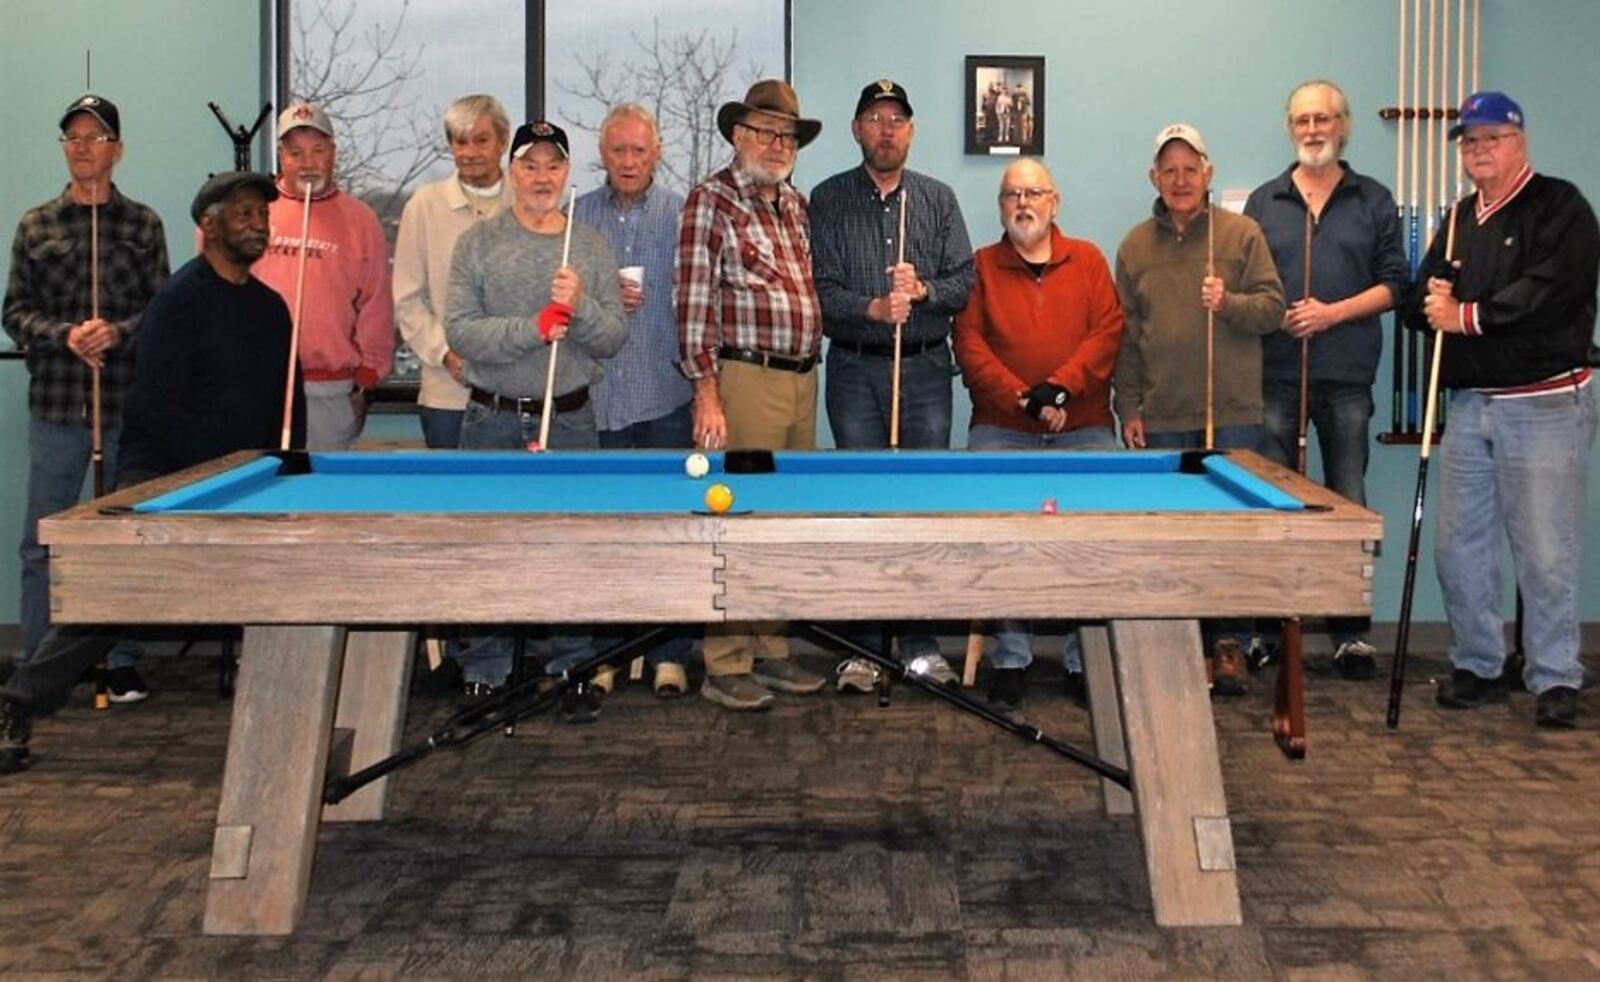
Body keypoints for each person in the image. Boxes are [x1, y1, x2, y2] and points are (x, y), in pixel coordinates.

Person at [1, 171, 305, 774]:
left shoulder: (272, 310)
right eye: (242, 214)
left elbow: (282, 403)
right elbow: (154, 408)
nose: (257, 226)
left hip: (249, 483)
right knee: (113, 604)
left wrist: (285, 467)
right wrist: (198, 483)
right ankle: (17, 703)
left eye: (262, 216)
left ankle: (288, 718)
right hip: (165, 476)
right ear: (209, 226)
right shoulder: (177, 301)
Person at [1412, 91, 1598, 729]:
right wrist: (1430, 298)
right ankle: (1478, 664)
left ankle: (1554, 675)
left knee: (1545, 548)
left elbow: (1553, 291)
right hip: (1470, 406)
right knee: (1458, 547)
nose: (1478, 149)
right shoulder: (1462, 216)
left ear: (1519, 141)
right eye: (1469, 141)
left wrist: (1466, 314)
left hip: (1545, 401)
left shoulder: (1560, 205)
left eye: (1491, 138)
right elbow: (1422, 299)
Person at [445, 120, 627, 722]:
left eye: (553, 166)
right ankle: (485, 670)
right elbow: (461, 331)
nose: (541, 177)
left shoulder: (590, 247)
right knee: (487, 548)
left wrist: (580, 310)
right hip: (492, 419)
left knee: (573, 548)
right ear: (512, 171)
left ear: (567, 174)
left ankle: (572, 666)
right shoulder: (478, 243)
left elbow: (612, 340)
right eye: (530, 165)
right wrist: (533, 327)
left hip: (569, 419)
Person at [810, 78, 974, 692]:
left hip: (926, 370)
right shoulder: (826, 200)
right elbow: (819, 292)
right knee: (862, 503)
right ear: (857, 129)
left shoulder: (938, 199)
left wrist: (925, 288)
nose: (886, 129)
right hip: (854, 368)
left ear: (911, 130)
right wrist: (874, 309)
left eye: (897, 119)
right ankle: (865, 645)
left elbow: (965, 282)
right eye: (875, 118)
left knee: (921, 504)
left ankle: (921, 644)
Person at [3, 94, 168, 703]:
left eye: (95, 138)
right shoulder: (35, 224)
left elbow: (161, 312)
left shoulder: (142, 224)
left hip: (124, 408)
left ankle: (119, 659)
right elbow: (14, 311)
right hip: (57, 408)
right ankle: (36, 672)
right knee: (42, 541)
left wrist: (117, 332)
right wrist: (65, 335)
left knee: (120, 541)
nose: (82, 147)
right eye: (72, 137)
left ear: (116, 150)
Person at [1244, 80, 1409, 680]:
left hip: (1346, 374)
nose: (1312, 130)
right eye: (1301, 120)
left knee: (1346, 499)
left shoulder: (1374, 199)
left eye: (1323, 119)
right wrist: (1277, 312)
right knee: (1274, 502)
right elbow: (1251, 282)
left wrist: (1332, 312)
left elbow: (1396, 283)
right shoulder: (1265, 201)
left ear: (1343, 125)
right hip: (1278, 372)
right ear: (1290, 128)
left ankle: (1350, 633)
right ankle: (1269, 627)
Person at [1112, 123, 1285, 696]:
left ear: (1208, 174)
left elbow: (1272, 310)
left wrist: (1228, 302)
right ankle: (1173, 645)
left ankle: (1230, 643)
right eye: (1170, 170)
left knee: (1230, 536)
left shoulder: (1241, 234)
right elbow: (1127, 337)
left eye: (1191, 168)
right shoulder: (1135, 246)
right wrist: (1128, 405)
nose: (1181, 179)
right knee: (1169, 538)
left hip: (1231, 410)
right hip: (1162, 413)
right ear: (1153, 178)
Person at [676, 79, 828, 711]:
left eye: (786, 134)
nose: (776, 143)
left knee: (784, 520)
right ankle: (726, 660)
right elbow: (692, 303)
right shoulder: (710, 200)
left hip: (801, 380)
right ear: (738, 136)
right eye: (763, 131)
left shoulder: (795, 205)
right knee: (737, 518)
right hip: (745, 379)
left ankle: (772, 650)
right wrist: (706, 393)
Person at [952, 158, 1124, 708]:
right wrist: (1025, 399)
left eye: (1033, 193)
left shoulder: (1090, 260)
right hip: (1004, 428)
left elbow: (1107, 332)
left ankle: (1082, 658)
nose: (1022, 203)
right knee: (1002, 538)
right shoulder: (979, 266)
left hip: (1085, 427)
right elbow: (971, 346)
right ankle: (1012, 654)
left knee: (1093, 541)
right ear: (1000, 208)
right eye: (1010, 195)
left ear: (1055, 202)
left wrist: (1060, 389)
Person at [573, 103, 697, 698]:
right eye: (617, 150)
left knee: (669, 534)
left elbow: (701, 307)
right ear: (602, 154)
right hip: (596, 402)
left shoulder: (681, 214)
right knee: (603, 537)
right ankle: (606, 654)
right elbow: (562, 311)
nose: (627, 161)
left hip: (666, 396)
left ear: (657, 153)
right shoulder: (577, 217)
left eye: (638, 151)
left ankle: (669, 653)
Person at [255, 102, 394, 450]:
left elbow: (376, 307)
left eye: (318, 151)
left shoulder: (361, 220)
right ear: (280, 156)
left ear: (333, 153)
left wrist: (366, 382)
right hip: (255, 385)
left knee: (322, 501)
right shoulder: (252, 212)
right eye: (296, 152)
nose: (307, 162)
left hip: (329, 391)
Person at [394, 94, 515, 451]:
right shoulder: (424, 206)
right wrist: (446, 353)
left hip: (516, 396)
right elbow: (407, 299)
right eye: (460, 142)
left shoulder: (527, 202)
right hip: (446, 397)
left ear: (504, 141)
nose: (470, 152)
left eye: (481, 140)